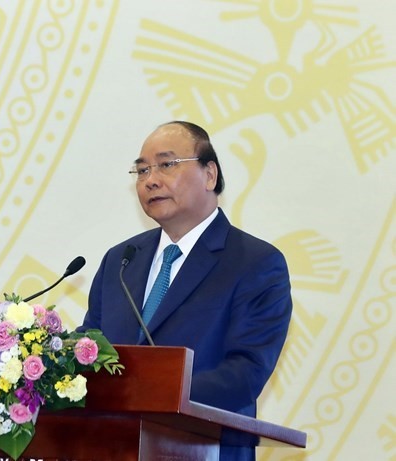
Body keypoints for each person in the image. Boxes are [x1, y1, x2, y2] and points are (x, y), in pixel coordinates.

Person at [79, 121, 293, 461]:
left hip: (203, 449)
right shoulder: (121, 260)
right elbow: (89, 347)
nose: (150, 179)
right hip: (110, 447)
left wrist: (148, 391)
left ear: (210, 175)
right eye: (142, 169)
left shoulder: (255, 263)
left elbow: (245, 373)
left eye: (166, 164)